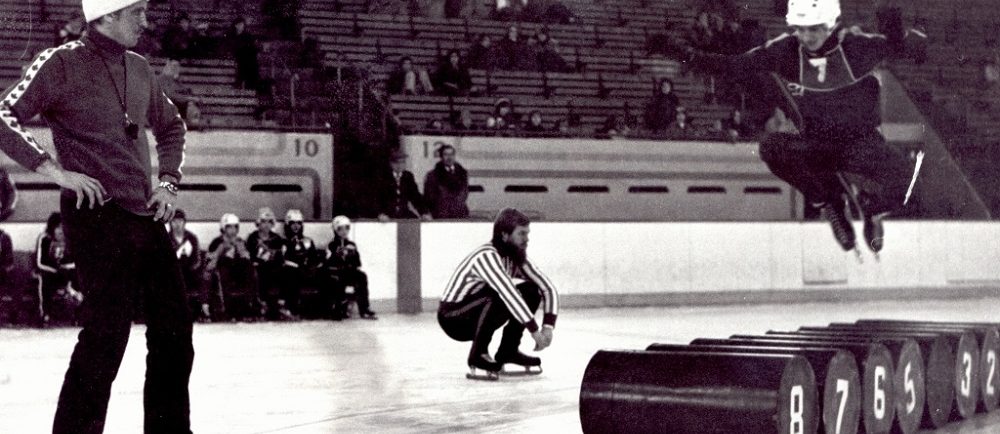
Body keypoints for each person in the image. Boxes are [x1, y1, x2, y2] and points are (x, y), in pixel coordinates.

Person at [0, 0, 193, 431]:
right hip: (95, 215)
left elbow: (172, 126)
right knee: (106, 334)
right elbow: (2, 114)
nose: (146, 21)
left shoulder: (140, 68)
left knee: (176, 329)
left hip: (145, 214)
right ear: (106, 16)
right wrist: (55, 172)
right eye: (137, 12)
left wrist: (167, 183)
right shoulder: (60, 63)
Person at [664, 0, 927, 255]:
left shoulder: (856, 46)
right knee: (771, 147)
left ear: (830, 25)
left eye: (814, 28)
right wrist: (686, 55)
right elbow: (735, 65)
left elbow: (904, 47)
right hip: (817, 143)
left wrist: (891, 17)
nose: (807, 36)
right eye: (800, 28)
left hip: (861, 142)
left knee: (911, 177)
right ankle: (829, 203)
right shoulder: (785, 50)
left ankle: (873, 209)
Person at [438, 208, 558, 378]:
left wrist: (548, 327)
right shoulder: (487, 255)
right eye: (522, 234)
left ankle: (508, 351)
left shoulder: (515, 257)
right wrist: (535, 332)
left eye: (527, 233)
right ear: (504, 235)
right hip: (453, 318)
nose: (527, 239)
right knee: (498, 294)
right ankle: (477, 355)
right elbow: (509, 294)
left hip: (478, 312)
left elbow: (547, 288)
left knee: (531, 291)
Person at [205, 213, 257, 321]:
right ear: (224, 228)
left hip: (238, 271)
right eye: (229, 227)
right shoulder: (217, 242)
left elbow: (247, 259)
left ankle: (250, 307)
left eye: (235, 227)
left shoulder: (240, 241)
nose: (233, 230)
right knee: (224, 272)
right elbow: (210, 262)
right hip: (223, 271)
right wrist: (221, 250)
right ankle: (227, 310)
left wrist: (242, 252)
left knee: (250, 271)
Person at [324, 216, 377, 319]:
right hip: (336, 273)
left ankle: (364, 308)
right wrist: (338, 255)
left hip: (348, 272)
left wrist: (352, 255)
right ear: (335, 230)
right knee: (336, 280)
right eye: (340, 228)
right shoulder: (332, 245)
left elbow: (358, 263)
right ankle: (337, 308)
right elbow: (328, 262)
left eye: (346, 228)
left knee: (362, 276)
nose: (344, 231)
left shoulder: (351, 244)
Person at [35, 212, 82, 325]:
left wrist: (67, 267)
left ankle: (79, 313)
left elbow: (78, 260)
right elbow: (40, 263)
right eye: (58, 227)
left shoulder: (70, 239)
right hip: (49, 271)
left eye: (63, 227)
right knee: (44, 280)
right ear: (52, 228)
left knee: (79, 276)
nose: (61, 231)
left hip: (66, 271)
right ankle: (45, 314)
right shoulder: (45, 238)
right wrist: (55, 270)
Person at [246, 207, 293, 320]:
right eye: (263, 222)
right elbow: (251, 256)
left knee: (287, 272)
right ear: (258, 223)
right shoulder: (252, 238)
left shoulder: (276, 238)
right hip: (259, 267)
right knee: (258, 274)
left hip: (273, 267)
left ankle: (282, 305)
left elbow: (280, 255)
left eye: (269, 222)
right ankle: (262, 306)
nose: (266, 225)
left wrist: (272, 254)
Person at [168, 209, 209, 322]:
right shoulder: (166, 238)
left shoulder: (192, 238)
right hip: (173, 273)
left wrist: (190, 268)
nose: (177, 225)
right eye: (174, 222)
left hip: (190, 272)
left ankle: (203, 311)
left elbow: (198, 259)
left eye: (180, 221)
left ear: (184, 222)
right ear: (170, 223)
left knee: (201, 279)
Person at [280, 209, 317, 318]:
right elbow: (283, 259)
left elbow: (314, 258)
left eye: (299, 223)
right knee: (291, 274)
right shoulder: (284, 242)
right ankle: (291, 308)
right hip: (292, 271)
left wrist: (311, 267)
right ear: (288, 224)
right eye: (293, 223)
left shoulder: (308, 241)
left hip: (307, 272)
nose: (296, 226)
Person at [378, 150, 430, 220]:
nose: (399, 165)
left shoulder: (408, 176)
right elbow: (377, 198)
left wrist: (423, 213)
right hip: (387, 215)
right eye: (396, 162)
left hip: (403, 213)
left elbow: (415, 196)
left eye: (402, 162)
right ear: (391, 163)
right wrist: (380, 213)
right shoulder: (383, 177)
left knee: (415, 221)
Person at [423, 144, 470, 219]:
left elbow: (464, 193)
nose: (449, 157)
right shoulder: (432, 175)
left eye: (451, 154)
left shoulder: (462, 173)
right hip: (441, 215)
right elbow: (429, 197)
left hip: (460, 214)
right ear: (441, 157)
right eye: (446, 154)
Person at [158, 59, 202, 124]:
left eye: (177, 66)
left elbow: (185, 91)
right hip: (166, 105)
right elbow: (171, 96)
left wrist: (189, 97)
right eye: (173, 66)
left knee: (192, 103)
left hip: (178, 104)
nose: (176, 69)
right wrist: (188, 99)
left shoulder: (176, 80)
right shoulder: (163, 79)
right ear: (167, 67)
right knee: (190, 103)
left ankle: (193, 123)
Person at [226, 18, 260, 91]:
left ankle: (247, 86)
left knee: (247, 71)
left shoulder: (247, 36)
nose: (241, 26)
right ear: (235, 25)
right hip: (238, 57)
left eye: (242, 24)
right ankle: (239, 85)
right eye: (239, 25)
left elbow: (252, 47)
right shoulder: (232, 35)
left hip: (247, 57)